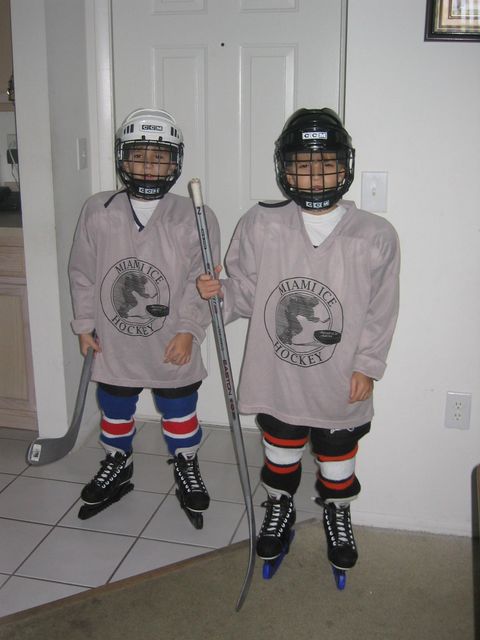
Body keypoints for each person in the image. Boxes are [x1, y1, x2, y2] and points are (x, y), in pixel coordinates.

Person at [196, 108, 400, 574]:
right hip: (278, 371)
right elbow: (244, 291)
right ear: (285, 169)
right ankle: (280, 506)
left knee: (336, 455)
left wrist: (368, 365)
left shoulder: (375, 235)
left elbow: (381, 309)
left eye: (325, 162)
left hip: (340, 374)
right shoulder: (260, 223)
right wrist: (217, 293)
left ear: (345, 166)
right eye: (303, 164)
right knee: (281, 447)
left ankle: (337, 510)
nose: (315, 174)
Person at [69, 108, 220, 523]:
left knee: (179, 406)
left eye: (159, 157)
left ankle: (186, 462)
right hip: (115, 339)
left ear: (175, 162)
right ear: (123, 158)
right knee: (114, 405)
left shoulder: (196, 215)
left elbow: (200, 280)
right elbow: (82, 272)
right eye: (139, 156)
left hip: (172, 338)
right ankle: (118, 461)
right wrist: (83, 324)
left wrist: (189, 330)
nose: (149, 166)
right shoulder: (98, 209)